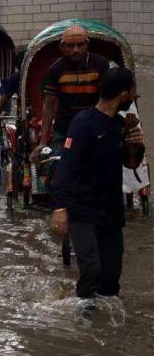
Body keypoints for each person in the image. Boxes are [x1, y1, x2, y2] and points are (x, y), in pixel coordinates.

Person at [51, 67, 144, 314]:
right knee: (91, 267)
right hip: (82, 208)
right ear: (123, 94)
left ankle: (108, 331)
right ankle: (82, 320)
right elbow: (66, 167)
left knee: (111, 277)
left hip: (110, 209)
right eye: (133, 92)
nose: (135, 97)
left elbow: (130, 163)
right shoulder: (84, 123)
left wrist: (136, 145)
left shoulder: (121, 124)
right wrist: (61, 207)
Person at [31, 24, 110, 162]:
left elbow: (108, 99)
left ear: (87, 44)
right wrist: (43, 142)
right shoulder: (56, 69)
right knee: (57, 169)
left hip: (94, 128)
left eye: (80, 45)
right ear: (62, 47)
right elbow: (49, 104)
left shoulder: (100, 64)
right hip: (65, 129)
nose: (76, 50)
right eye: (70, 46)